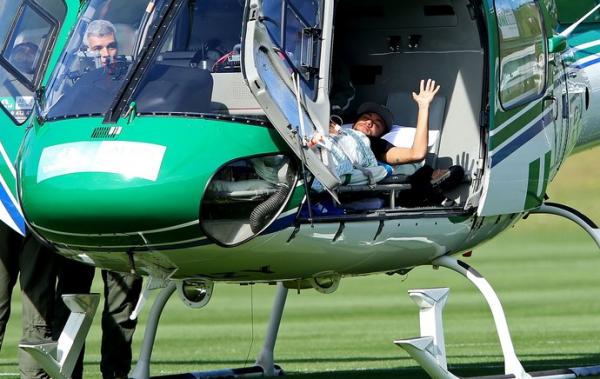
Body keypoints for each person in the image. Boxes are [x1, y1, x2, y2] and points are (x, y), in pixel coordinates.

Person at [52, 19, 143, 379]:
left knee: (122, 308)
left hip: (121, 208)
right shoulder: (69, 92)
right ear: (85, 52)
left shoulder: (136, 82)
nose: (106, 55)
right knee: (72, 300)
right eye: (98, 49)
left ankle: (115, 374)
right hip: (81, 210)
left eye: (110, 47)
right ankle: (69, 372)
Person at [0, 226, 57, 379]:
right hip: (35, 217)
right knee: (36, 314)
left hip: (7, 211)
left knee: (36, 314)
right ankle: (34, 375)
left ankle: (34, 374)